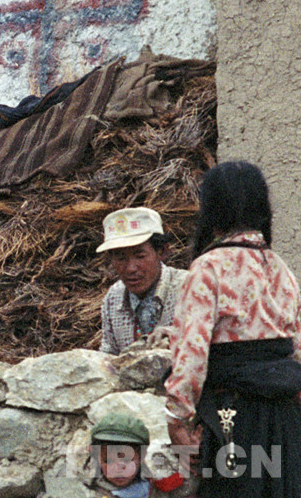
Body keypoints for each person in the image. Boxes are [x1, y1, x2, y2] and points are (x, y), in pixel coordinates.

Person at [164, 161, 301, 497]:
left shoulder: (208, 269)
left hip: (232, 418)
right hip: (285, 420)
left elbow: (191, 353)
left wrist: (177, 420)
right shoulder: (281, 269)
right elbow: (297, 348)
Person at [96, 207, 188, 354]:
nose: (131, 268)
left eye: (140, 256)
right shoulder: (113, 298)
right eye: (120, 258)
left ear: (162, 251)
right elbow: (108, 353)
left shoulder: (189, 288)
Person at [89, 412, 185, 497]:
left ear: (142, 456)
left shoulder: (162, 488)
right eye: (108, 461)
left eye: (127, 460)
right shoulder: (91, 493)